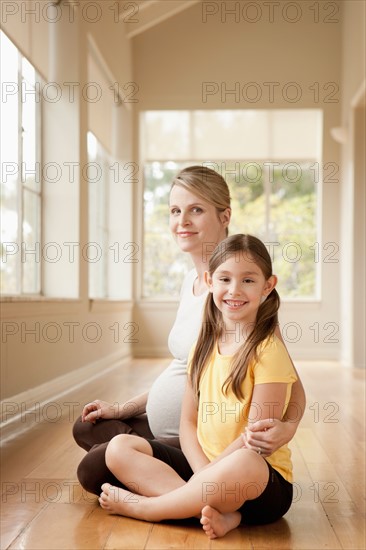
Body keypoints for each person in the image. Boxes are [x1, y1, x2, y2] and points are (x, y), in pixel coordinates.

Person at [73, 166, 305, 496]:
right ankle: (190, 485)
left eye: (196, 210)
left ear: (225, 215)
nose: (182, 222)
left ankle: (186, 489)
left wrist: (287, 428)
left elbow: (290, 383)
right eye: (175, 211)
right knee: (87, 426)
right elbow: (185, 368)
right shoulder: (191, 282)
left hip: (210, 439)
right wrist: (123, 409)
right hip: (181, 428)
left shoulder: (236, 294)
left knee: (95, 468)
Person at [99, 234, 300, 538]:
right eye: (225, 279)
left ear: (268, 285)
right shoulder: (202, 347)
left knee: (245, 460)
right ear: (209, 281)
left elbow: (255, 440)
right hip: (204, 466)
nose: (234, 290)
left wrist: (210, 474)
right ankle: (215, 512)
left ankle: (145, 508)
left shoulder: (269, 351)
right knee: (119, 448)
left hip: (257, 481)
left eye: (248, 280)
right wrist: (203, 472)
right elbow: (188, 423)